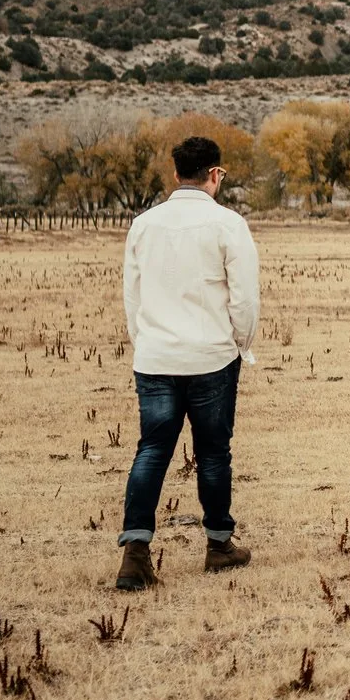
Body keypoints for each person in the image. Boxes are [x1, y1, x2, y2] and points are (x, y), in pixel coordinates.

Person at [115, 135, 259, 591]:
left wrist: (146, 342)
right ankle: (219, 545)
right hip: (211, 355)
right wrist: (239, 343)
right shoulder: (228, 225)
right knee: (214, 452)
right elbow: (245, 300)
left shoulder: (144, 225)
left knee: (152, 449)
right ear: (215, 175)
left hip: (156, 357)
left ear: (176, 174)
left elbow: (131, 297)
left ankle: (136, 554)